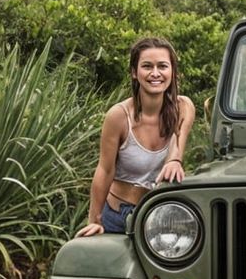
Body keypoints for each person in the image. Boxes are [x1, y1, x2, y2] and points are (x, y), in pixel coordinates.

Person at [77, 36, 197, 237]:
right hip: (118, 215)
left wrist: (175, 160)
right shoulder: (118, 116)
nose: (155, 73)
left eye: (163, 66)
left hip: (158, 214)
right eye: (147, 66)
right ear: (135, 72)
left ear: (173, 72)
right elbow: (105, 170)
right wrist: (94, 220)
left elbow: (179, 137)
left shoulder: (183, 107)